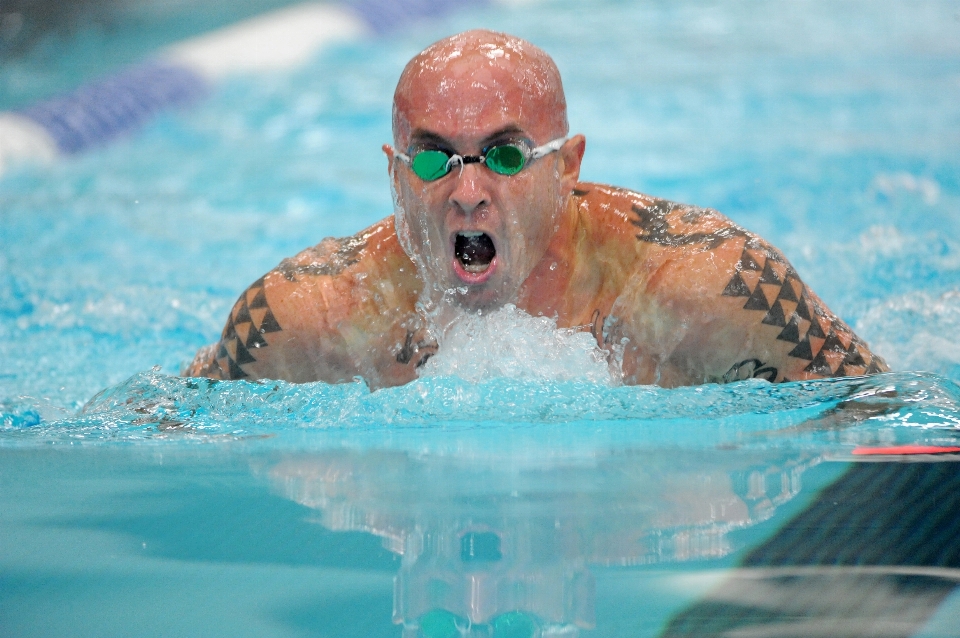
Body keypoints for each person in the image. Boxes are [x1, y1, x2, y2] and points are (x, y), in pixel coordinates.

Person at [185, 29, 887, 389]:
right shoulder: (308, 317)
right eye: (432, 159)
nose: (466, 192)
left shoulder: (706, 288)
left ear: (568, 166)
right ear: (395, 177)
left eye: (506, 156)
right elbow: (168, 425)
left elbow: (889, 418)